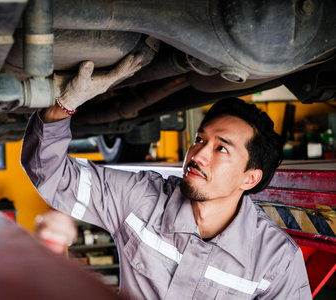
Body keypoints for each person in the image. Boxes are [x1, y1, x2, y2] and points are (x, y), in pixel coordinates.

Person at [21, 54, 312, 299]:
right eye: (200, 139)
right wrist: (63, 106)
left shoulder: (276, 261)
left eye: (221, 148)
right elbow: (53, 174)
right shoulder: (141, 199)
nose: (197, 155)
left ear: (249, 178)